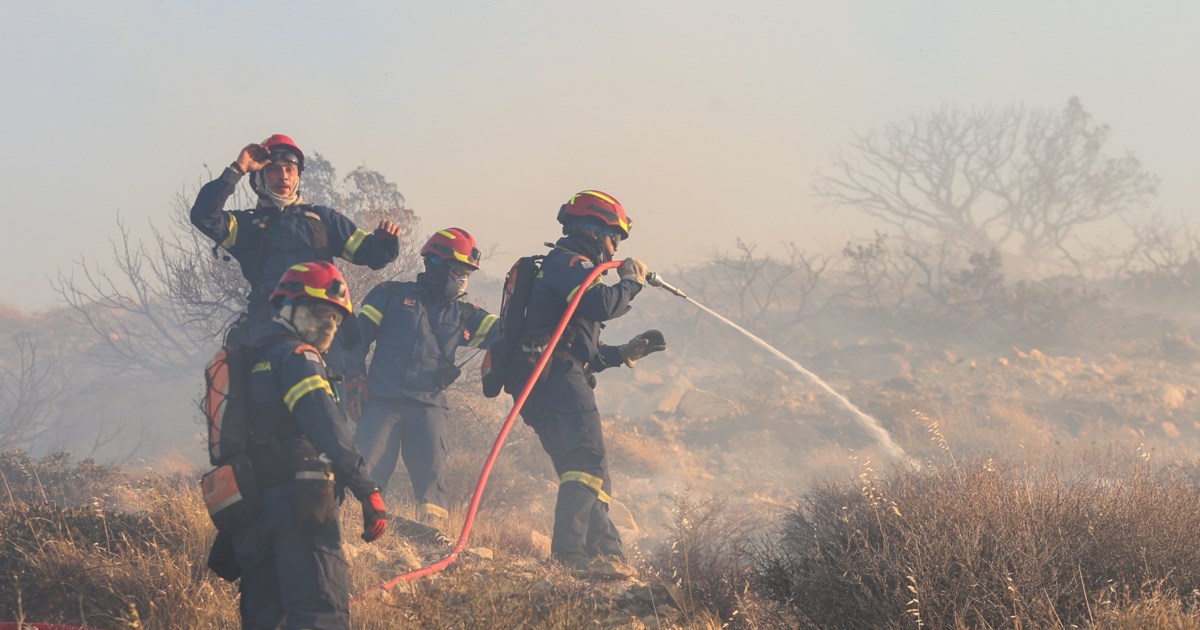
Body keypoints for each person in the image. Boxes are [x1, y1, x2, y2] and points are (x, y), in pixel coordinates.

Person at [233, 261, 388, 629]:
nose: (329, 326)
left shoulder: (252, 356)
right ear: (287, 307)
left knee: (265, 619)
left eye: (336, 319)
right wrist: (367, 488)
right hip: (299, 506)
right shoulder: (297, 358)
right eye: (321, 313)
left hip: (252, 508)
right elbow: (326, 425)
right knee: (321, 612)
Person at [516, 190, 666, 569]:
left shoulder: (566, 267)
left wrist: (622, 354)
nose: (614, 246)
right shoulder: (568, 263)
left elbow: (581, 351)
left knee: (588, 472)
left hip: (552, 378)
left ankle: (608, 554)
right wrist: (631, 281)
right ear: (594, 230)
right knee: (587, 460)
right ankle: (570, 555)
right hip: (557, 381)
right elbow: (600, 303)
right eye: (614, 236)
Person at [348, 228, 502, 540]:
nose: (463, 280)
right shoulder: (389, 294)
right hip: (382, 401)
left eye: (467, 273)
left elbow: (505, 333)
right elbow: (355, 340)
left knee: (431, 480)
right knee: (368, 469)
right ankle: (358, 534)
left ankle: (432, 541)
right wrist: (353, 380)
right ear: (435, 264)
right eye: (458, 271)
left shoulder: (463, 313)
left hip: (429, 406)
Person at [189, 134, 403, 346]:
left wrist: (386, 240)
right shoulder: (246, 226)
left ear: (297, 175)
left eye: (290, 169)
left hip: (325, 335)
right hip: (269, 334)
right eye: (274, 169)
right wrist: (238, 168)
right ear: (259, 177)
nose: (283, 176)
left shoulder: (323, 219)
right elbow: (204, 216)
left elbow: (373, 255)